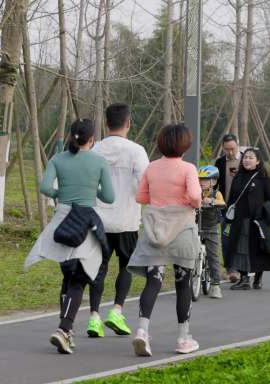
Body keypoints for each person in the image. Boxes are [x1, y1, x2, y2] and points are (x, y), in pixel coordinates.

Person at [24, 119, 114, 354]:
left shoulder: (58, 159)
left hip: (62, 220)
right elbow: (110, 197)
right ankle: (64, 330)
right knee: (80, 278)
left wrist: (60, 192)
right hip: (84, 223)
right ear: (92, 140)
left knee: (67, 275)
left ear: (71, 137)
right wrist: (92, 189)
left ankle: (68, 331)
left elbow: (45, 188)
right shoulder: (99, 162)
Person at [127, 123, 202, 356]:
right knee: (183, 284)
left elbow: (140, 196)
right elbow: (195, 197)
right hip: (182, 230)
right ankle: (183, 338)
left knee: (153, 281)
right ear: (185, 145)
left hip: (156, 230)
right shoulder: (188, 169)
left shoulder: (151, 168)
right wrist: (191, 202)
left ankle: (141, 331)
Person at [87, 103, 149, 338]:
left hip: (98, 220)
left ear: (105, 123)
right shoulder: (136, 151)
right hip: (126, 220)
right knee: (126, 266)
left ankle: (93, 317)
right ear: (128, 123)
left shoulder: (95, 151)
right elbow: (145, 182)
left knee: (98, 267)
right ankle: (116, 310)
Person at [225, 148, 270, 290]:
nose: (247, 160)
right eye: (245, 157)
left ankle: (258, 279)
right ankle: (244, 279)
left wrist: (265, 216)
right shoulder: (238, 177)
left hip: (258, 221)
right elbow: (232, 199)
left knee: (259, 250)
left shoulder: (264, 179)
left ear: (258, 161)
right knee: (240, 249)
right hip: (240, 220)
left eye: (251, 158)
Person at [214, 134, 241, 283]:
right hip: (225, 209)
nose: (230, 152)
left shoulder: (246, 160)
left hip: (243, 209)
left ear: (238, 145)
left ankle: (242, 268)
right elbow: (214, 184)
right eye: (226, 149)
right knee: (226, 238)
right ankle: (230, 269)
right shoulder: (219, 162)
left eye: (232, 149)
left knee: (242, 239)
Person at [198, 165, 226, 299]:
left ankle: (215, 285)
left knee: (213, 256)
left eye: (205, 179)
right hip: (195, 228)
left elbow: (222, 203)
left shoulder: (216, 193)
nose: (202, 182)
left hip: (211, 229)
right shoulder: (195, 192)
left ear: (213, 182)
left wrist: (213, 201)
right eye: (200, 179)